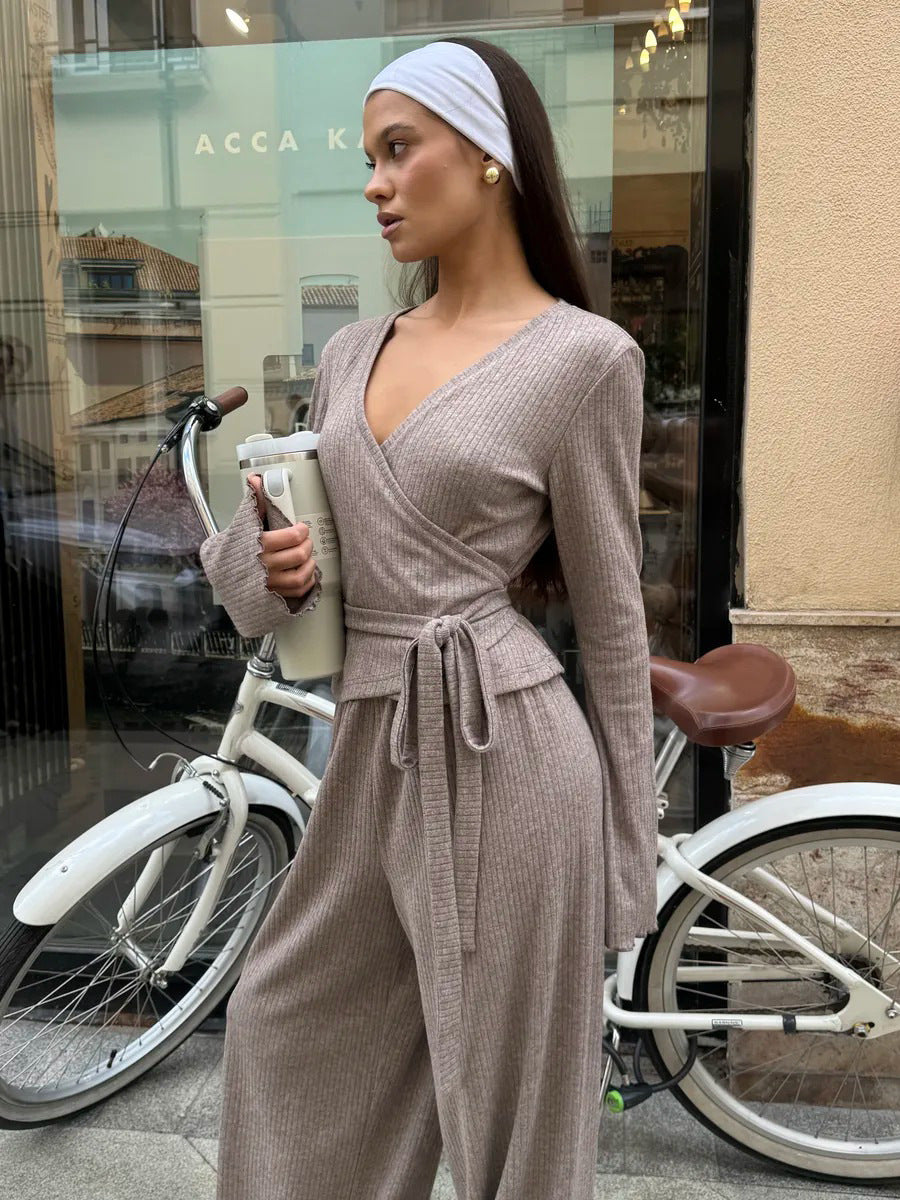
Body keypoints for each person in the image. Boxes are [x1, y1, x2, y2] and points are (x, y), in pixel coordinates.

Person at [201, 35, 659, 1200]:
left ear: (490, 155)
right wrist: (282, 565)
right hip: (370, 745)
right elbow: (272, 586)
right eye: (370, 158)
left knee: (507, 1106)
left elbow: (614, 625)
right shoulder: (354, 351)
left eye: (399, 150)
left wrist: (627, 857)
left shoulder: (585, 359)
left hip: (511, 753)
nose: (376, 184)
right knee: (281, 1026)